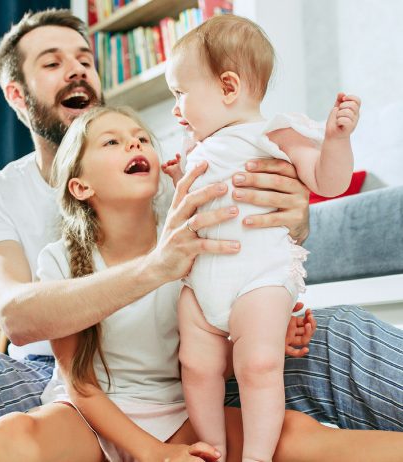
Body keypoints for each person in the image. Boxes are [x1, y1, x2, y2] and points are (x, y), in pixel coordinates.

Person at [0, 7, 400, 449]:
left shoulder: (171, 173)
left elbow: (252, 238)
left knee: (334, 333)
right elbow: (16, 314)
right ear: (16, 94)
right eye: (53, 63)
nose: (78, 70)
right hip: (52, 378)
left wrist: (293, 214)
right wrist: (155, 268)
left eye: (85, 59)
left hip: (186, 369)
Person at [160, 15, 361, 462]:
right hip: (202, 282)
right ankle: (212, 449)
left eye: (181, 94)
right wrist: (181, 177)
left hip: (258, 276)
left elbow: (328, 181)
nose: (176, 108)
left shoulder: (272, 133)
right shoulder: (199, 148)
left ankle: (256, 456)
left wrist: (335, 141)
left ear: (228, 88)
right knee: (194, 366)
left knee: (258, 366)